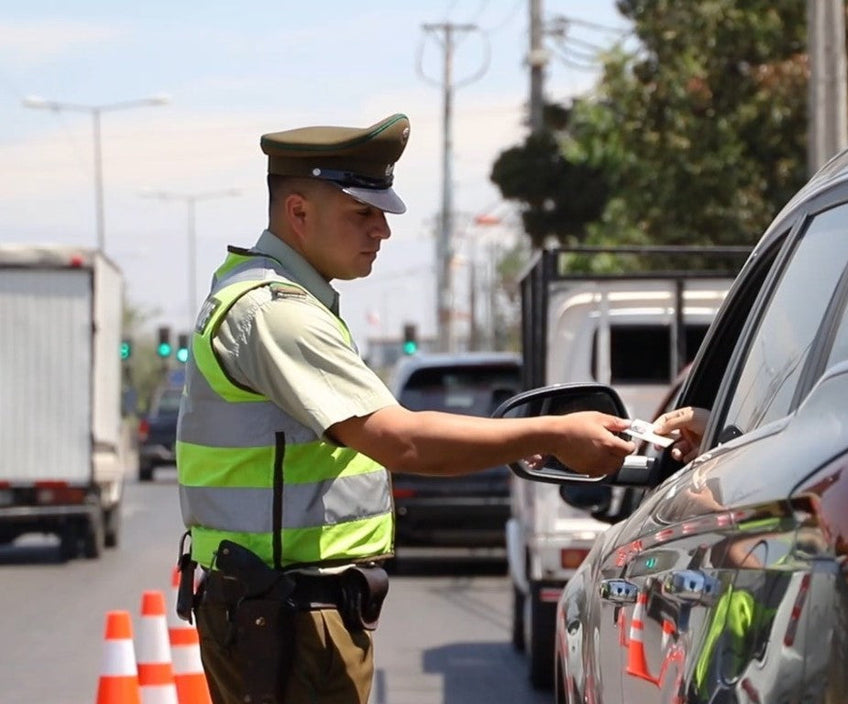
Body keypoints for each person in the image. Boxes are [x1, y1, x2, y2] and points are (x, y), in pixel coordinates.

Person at [173, 113, 636, 704]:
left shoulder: (272, 297)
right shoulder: (276, 314)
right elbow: (404, 442)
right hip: (284, 613)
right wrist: (552, 432)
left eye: (381, 215)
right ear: (298, 212)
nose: (382, 232)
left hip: (285, 605)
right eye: (361, 213)